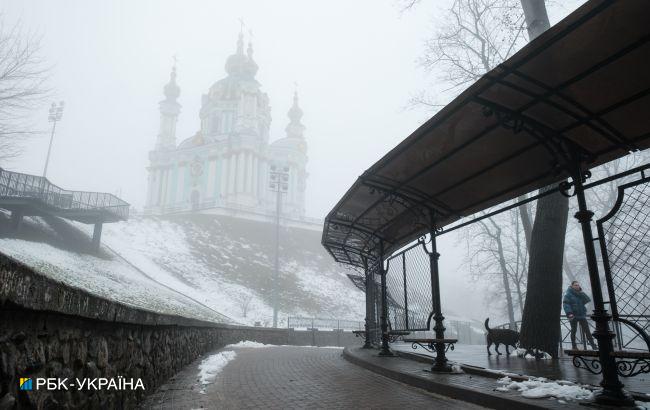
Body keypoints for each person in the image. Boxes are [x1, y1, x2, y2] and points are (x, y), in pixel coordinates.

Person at [563, 280, 597, 350]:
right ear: (572, 286)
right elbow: (566, 304)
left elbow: (587, 299)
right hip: (573, 315)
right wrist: (569, 313)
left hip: (581, 315)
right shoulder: (568, 294)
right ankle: (574, 346)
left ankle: (593, 345)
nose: (577, 286)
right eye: (575, 285)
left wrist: (581, 293)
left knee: (587, 330)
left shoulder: (580, 294)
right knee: (574, 330)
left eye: (578, 285)